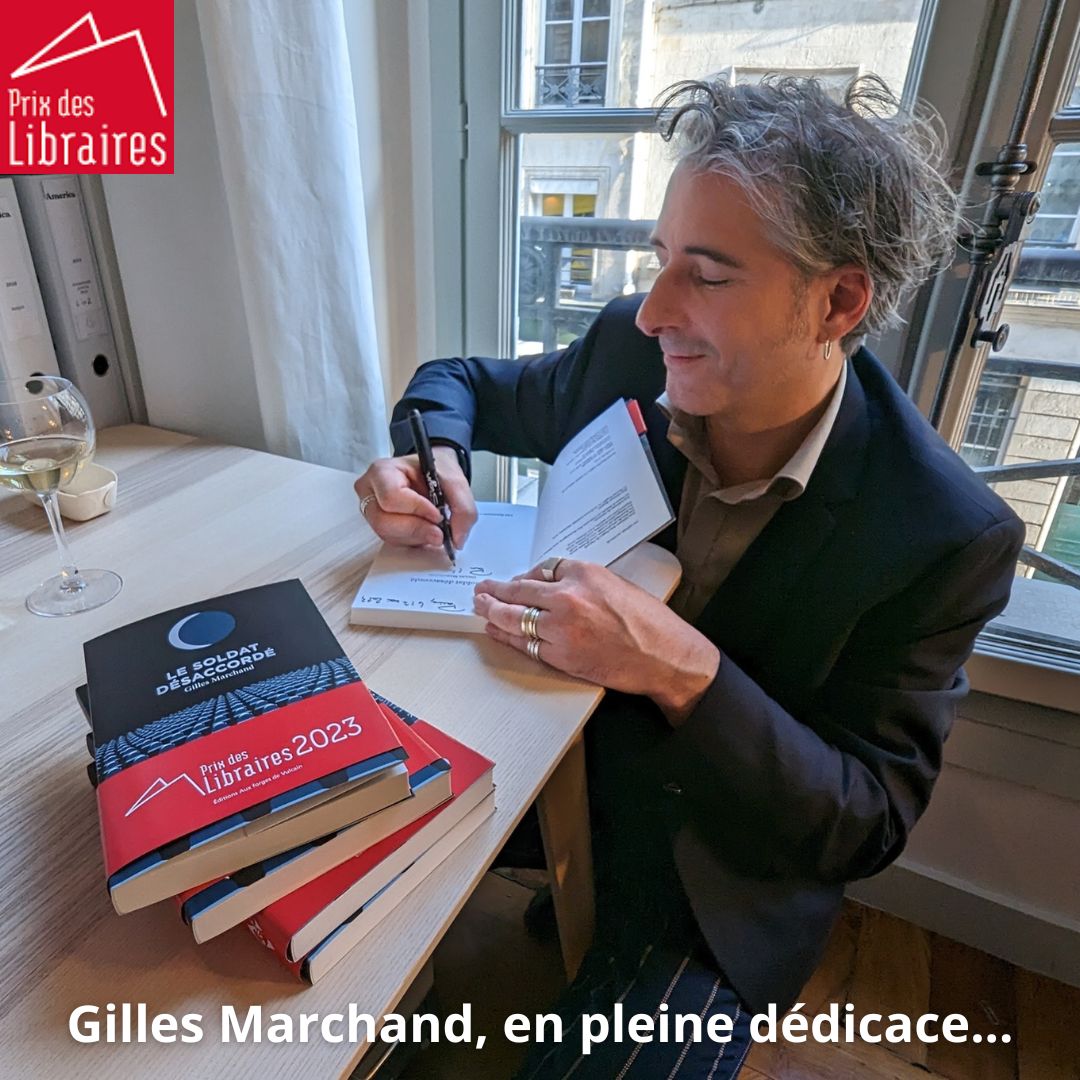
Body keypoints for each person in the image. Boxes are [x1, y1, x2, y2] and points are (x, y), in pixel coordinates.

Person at [354, 75, 1024, 1078]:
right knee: (306, 869)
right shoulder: (629, 357)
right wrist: (428, 458)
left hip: (713, 878)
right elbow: (458, 383)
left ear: (839, 301)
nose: (653, 311)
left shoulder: (940, 533)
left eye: (705, 276)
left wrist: (682, 670)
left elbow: (864, 821)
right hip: (544, 765)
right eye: (661, 259)